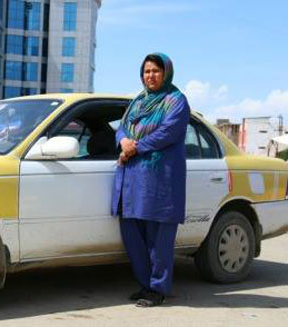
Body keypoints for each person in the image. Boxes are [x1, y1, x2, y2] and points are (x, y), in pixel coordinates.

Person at [111, 53, 191, 307]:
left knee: (159, 239)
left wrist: (135, 147)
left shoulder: (176, 101)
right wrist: (123, 141)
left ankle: (158, 289)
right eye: (147, 71)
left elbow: (168, 132)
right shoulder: (138, 101)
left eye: (156, 71)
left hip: (160, 180)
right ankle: (145, 284)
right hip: (132, 179)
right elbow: (122, 127)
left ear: (166, 72)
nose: (151, 76)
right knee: (133, 235)